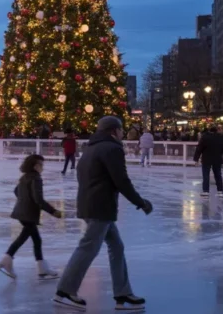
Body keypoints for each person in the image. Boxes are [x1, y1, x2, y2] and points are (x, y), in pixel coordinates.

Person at [54, 116, 152, 311]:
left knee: (116, 247)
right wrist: (140, 202)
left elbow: (84, 176)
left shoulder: (90, 148)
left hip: (90, 205)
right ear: (114, 130)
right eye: (122, 130)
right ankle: (65, 291)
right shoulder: (112, 148)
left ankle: (122, 293)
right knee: (88, 247)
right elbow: (121, 180)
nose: (123, 133)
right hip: (101, 207)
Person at [0, 154, 63, 280]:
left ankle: (41, 268)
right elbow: (38, 199)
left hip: (22, 212)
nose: (42, 167)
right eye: (41, 165)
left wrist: (24, 201)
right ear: (35, 166)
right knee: (25, 238)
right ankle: (6, 260)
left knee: (36, 239)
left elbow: (16, 191)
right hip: (28, 214)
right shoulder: (36, 178)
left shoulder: (25, 177)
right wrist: (53, 211)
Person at [193, 125, 223, 197]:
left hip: (206, 159)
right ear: (216, 130)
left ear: (209, 130)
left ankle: (206, 191)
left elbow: (199, 148)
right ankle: (220, 191)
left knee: (206, 175)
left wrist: (196, 159)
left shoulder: (205, 137)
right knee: (218, 175)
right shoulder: (220, 138)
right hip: (217, 159)